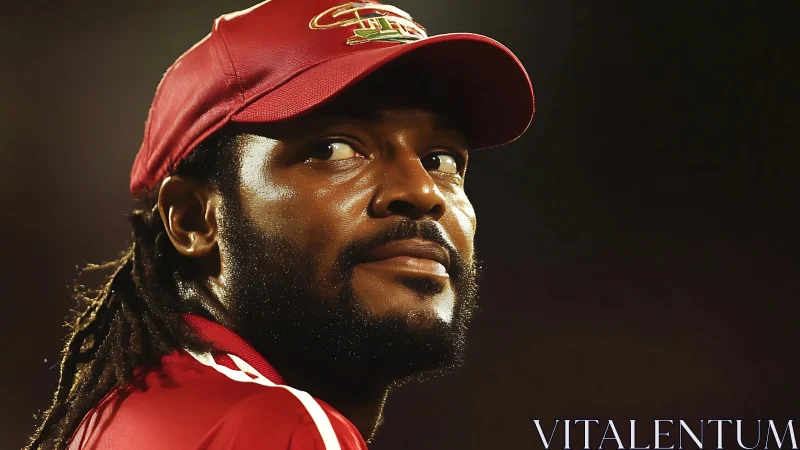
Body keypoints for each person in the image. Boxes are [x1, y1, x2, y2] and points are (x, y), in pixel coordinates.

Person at [27, 0, 534, 448]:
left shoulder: (126, 418)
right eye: (334, 149)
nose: (423, 192)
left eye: (441, 159)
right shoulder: (280, 427)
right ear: (192, 218)